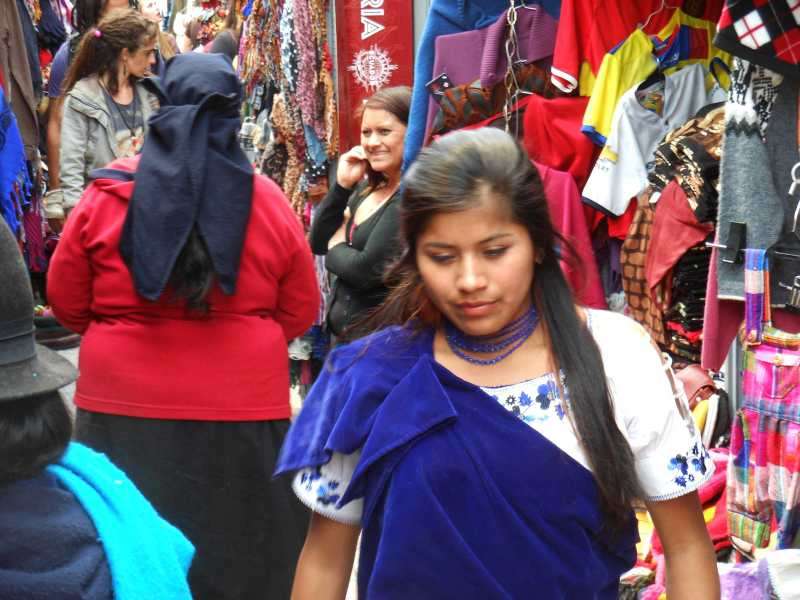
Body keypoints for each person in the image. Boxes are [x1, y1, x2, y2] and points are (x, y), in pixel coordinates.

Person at [276, 128, 720, 599]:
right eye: (442, 256)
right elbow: (325, 562)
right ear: (414, 258)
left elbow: (687, 545)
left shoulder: (617, 355)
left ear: (536, 244)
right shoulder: (363, 376)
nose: (470, 280)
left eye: (495, 251)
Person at [48, 53, 320, 600]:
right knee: (246, 560)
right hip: (242, 413)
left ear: (161, 108)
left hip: (121, 410)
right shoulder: (265, 200)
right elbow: (301, 309)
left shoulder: (105, 197)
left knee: (125, 558)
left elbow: (67, 302)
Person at [0, 219, 193, 600]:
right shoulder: (101, 522)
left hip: (115, 388)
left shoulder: (97, 205)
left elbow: (68, 299)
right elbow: (299, 306)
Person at [309, 85, 411, 341]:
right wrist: (342, 186)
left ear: (412, 132)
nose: (372, 142)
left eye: (384, 131)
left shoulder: (410, 197)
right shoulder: (368, 189)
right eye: (366, 132)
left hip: (383, 349)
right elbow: (318, 241)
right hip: (347, 343)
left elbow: (365, 270)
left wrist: (338, 242)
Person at [44, 0, 137, 233]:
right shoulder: (72, 54)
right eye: (117, 11)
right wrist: (57, 195)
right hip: (91, 185)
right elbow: (56, 123)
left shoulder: (145, 52)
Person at [58, 9, 159, 217]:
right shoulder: (82, 100)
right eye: (147, 53)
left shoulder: (149, 93)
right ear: (125, 54)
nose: (153, 61)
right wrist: (76, 219)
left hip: (143, 213)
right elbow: (71, 170)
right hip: (100, 216)